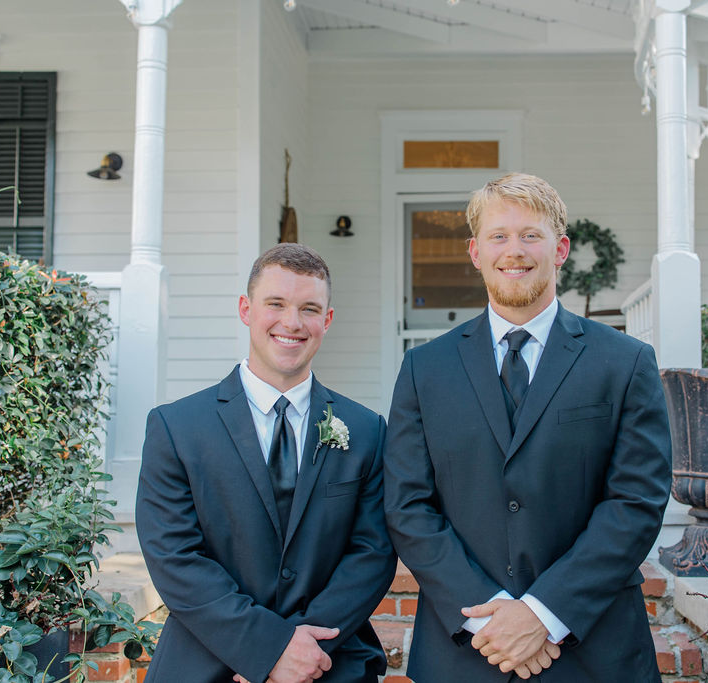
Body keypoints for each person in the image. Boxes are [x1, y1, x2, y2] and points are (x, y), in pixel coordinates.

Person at [384, 173, 672, 682]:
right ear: (475, 252)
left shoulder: (626, 362)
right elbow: (408, 506)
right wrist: (490, 618)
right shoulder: (423, 369)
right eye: (498, 235)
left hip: (591, 652)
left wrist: (543, 614)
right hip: (466, 649)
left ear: (560, 249)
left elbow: (636, 501)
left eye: (530, 235)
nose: (513, 250)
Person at [137, 244, 396, 683]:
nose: (292, 323)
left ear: (327, 320)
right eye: (275, 304)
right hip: (211, 661)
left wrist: (303, 651)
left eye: (309, 309)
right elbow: (174, 556)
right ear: (246, 309)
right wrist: (266, 647)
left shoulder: (367, 429)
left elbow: (373, 552)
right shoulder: (176, 427)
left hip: (329, 661)